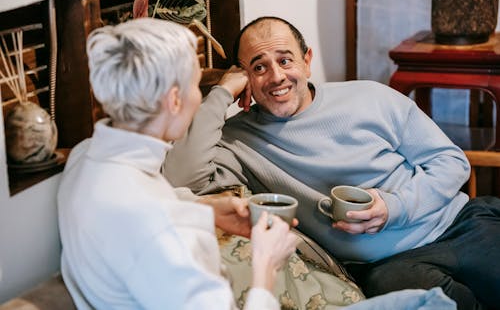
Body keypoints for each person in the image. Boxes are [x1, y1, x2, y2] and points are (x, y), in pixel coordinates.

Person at [163, 16, 500, 310]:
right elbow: (181, 177)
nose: (276, 76)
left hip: (459, 224)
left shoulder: (369, 97)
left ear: (307, 60)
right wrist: (221, 94)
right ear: (245, 79)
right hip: (390, 265)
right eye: (259, 67)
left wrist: (394, 207)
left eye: (285, 60)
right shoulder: (240, 139)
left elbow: (451, 161)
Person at [57, 17, 299, 310]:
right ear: (174, 101)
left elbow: (139, 213)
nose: (199, 97)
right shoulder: (157, 230)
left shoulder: (85, 157)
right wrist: (266, 266)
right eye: (196, 85)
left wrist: (205, 211)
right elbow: (146, 222)